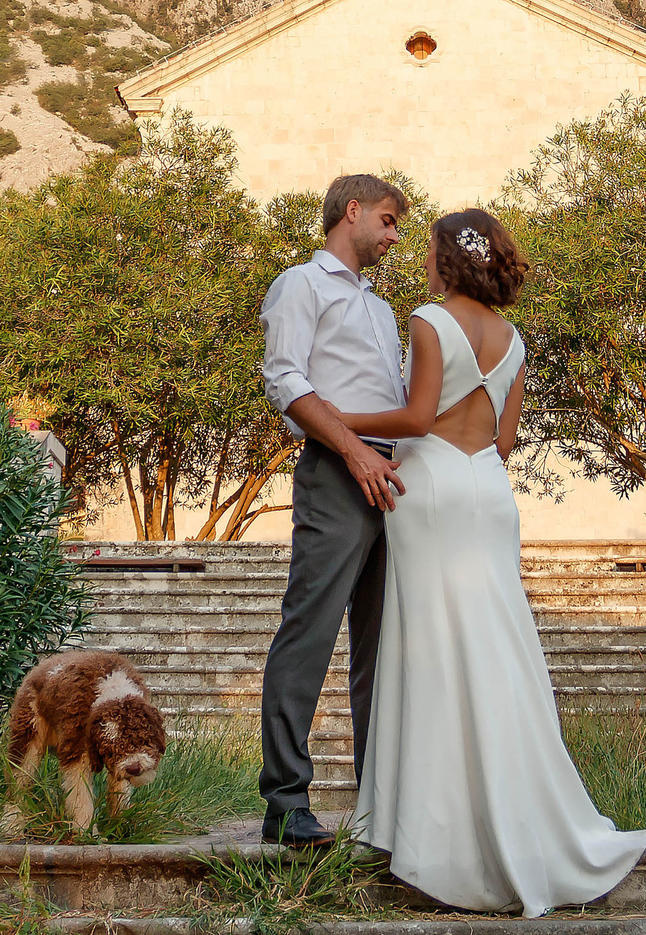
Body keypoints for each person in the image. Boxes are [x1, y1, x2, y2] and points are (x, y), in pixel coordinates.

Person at [340, 209, 646, 913]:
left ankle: (433, 840)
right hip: (488, 490)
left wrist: (336, 417)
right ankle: (515, 815)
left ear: (448, 258)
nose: (423, 260)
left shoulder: (429, 320)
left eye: (428, 250)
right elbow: (504, 441)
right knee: (495, 647)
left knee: (430, 653)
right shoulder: (514, 340)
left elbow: (417, 418)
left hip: (432, 489)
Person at [254, 174, 411, 848]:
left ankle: (379, 807)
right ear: (353, 211)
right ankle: (285, 804)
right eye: (388, 220)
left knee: (382, 648)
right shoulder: (302, 284)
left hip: (393, 480)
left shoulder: (383, 309)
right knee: (309, 632)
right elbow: (284, 379)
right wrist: (354, 451)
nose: (394, 235)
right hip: (338, 471)